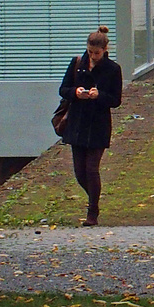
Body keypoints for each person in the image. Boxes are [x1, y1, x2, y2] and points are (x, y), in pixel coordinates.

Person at [58, 25, 123, 227]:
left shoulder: (113, 69)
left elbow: (115, 99)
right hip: (77, 122)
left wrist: (99, 96)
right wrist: (75, 92)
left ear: (105, 50)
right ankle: (93, 198)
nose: (93, 56)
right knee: (80, 172)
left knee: (92, 168)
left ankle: (92, 211)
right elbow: (63, 89)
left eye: (96, 53)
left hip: (98, 124)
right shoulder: (77, 64)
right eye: (90, 52)